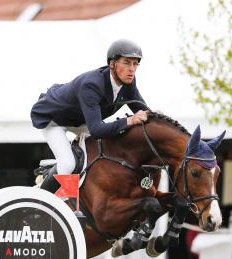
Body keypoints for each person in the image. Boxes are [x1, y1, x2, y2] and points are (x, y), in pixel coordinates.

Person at [31, 39, 149, 193]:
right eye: (126, 63)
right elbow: (97, 130)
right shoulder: (92, 84)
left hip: (80, 121)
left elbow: (141, 111)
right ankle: (41, 200)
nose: (132, 69)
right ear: (112, 64)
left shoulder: (128, 83)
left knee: (98, 157)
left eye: (135, 64)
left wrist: (154, 116)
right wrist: (129, 120)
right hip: (53, 118)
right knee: (68, 164)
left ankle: (76, 198)